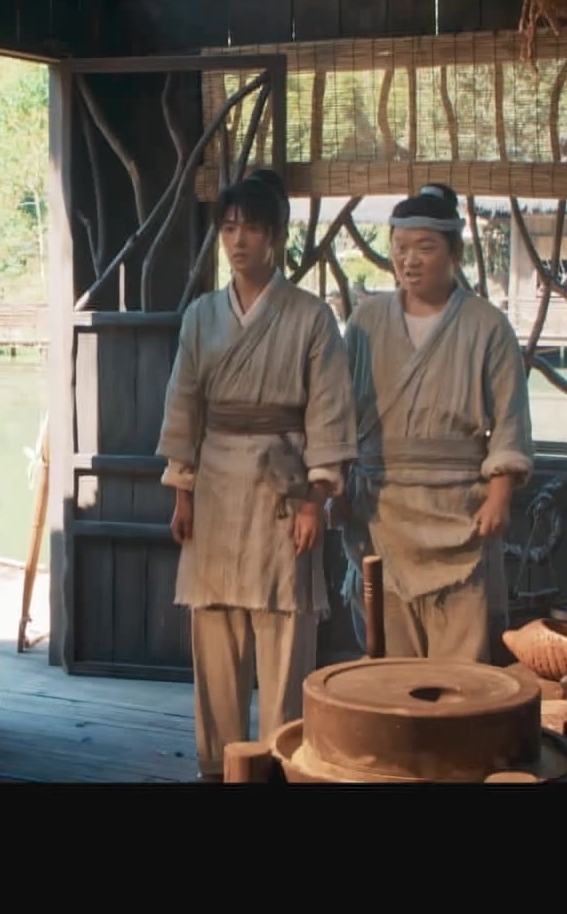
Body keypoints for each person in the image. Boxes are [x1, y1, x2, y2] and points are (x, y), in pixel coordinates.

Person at [156, 168, 358, 779]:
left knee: (284, 628)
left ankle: (279, 761)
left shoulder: (311, 318)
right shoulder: (200, 316)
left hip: (282, 485)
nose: (237, 240)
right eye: (228, 228)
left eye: (250, 228)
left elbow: (328, 411)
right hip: (216, 482)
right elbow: (184, 404)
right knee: (214, 626)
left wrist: (315, 499)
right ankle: (217, 763)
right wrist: (182, 491)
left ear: (275, 236)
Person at [342, 183, 535, 663]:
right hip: (381, 506)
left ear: (454, 252)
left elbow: (510, 418)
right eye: (400, 247)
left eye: (425, 248)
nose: (409, 260)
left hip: (459, 508)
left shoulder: (488, 326)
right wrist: (334, 487)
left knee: (462, 670)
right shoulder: (365, 322)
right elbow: (337, 412)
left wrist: (499, 495)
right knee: (389, 667)